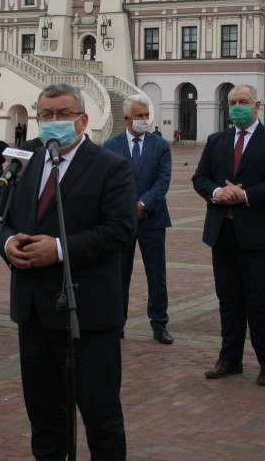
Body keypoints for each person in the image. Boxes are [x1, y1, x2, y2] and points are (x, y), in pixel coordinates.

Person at [0, 83, 136, 459]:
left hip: (85, 314)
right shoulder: (24, 162)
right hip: (33, 313)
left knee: (101, 420)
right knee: (45, 420)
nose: (53, 122)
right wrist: (7, 244)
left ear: (83, 120)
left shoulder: (111, 166)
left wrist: (57, 249)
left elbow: (120, 229)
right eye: (46, 115)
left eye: (63, 114)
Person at [192, 84, 265, 386]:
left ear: (257, 105)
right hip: (222, 232)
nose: (236, 106)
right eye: (232, 102)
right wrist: (216, 192)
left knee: (260, 302)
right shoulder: (216, 140)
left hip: (260, 235)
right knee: (228, 301)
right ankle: (230, 359)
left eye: (243, 102)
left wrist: (245, 195)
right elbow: (200, 177)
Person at [104, 94, 174, 344]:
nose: (144, 120)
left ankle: (159, 323)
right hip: (121, 222)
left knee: (156, 274)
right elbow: (107, 184)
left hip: (152, 219)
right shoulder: (110, 147)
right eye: (139, 116)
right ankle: (116, 322)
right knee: (118, 274)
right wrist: (127, 208)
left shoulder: (160, 145)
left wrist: (143, 204)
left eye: (147, 115)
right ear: (127, 118)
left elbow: (162, 181)